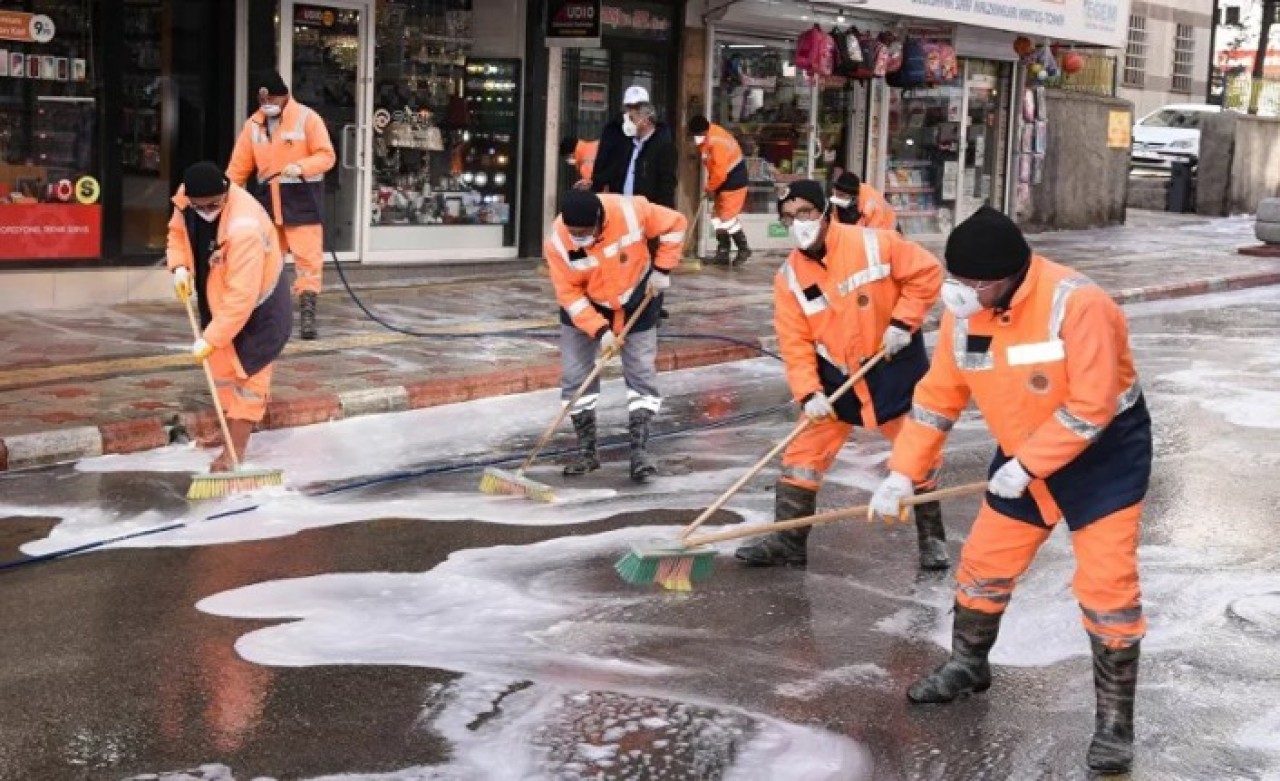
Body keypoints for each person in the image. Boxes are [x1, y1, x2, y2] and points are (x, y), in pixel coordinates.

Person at [867, 206, 1152, 774]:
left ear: (1013, 275)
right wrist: (902, 471)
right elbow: (937, 397)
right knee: (984, 563)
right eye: (955, 280)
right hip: (1022, 451)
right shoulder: (963, 315)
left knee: (1106, 587)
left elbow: (1092, 404)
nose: (961, 294)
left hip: (1104, 458)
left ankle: (1115, 723)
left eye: (975, 284)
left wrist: (1030, 465)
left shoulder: (1079, 304)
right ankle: (969, 665)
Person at [734, 180, 946, 571]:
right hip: (836, 377)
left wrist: (904, 322)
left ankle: (932, 539)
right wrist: (808, 393)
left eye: (805, 213)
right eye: (788, 218)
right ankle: (788, 540)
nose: (798, 224)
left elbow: (927, 274)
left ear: (826, 212)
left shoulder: (875, 243)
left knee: (917, 450)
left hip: (891, 364)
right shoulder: (790, 279)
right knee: (802, 456)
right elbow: (794, 341)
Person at [544, 190, 687, 483]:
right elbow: (568, 294)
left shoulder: (631, 211)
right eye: (574, 232)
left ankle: (639, 453)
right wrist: (599, 329)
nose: (578, 238)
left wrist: (662, 268)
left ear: (599, 221)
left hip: (638, 299)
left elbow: (676, 223)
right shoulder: (558, 242)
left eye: (584, 233)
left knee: (641, 376)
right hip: (587, 306)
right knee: (575, 378)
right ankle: (587, 452)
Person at [167, 162, 291, 471]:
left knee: (249, 379)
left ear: (226, 192)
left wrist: (210, 339)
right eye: (200, 206)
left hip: (261, 312)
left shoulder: (244, 225)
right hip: (219, 298)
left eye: (214, 205)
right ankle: (229, 431)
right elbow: (178, 234)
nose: (206, 211)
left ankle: (234, 452)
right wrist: (180, 266)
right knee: (221, 372)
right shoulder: (186, 199)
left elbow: (242, 298)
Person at [227, 69, 336, 341]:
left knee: (308, 262)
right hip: (267, 203)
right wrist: (227, 197)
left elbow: (326, 155)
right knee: (266, 261)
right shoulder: (253, 125)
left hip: (301, 199)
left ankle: (308, 315)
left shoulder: (308, 119)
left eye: (272, 100)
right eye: (263, 101)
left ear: (284, 96)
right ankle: (265, 315)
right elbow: (238, 167)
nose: (268, 106)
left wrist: (301, 166)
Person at [590, 86, 677, 208]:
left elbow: (666, 185)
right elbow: (608, 168)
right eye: (628, 108)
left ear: (646, 119)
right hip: (621, 208)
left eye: (634, 112)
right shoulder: (621, 138)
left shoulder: (662, 144)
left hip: (646, 212)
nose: (628, 118)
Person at [688, 114, 751, 266]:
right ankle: (723, 252)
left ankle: (743, 249)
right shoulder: (708, 138)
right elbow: (714, 167)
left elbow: (720, 172)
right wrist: (713, 186)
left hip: (733, 182)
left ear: (703, 131)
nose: (695, 138)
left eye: (696, 135)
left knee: (727, 218)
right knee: (717, 218)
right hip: (722, 182)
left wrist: (710, 187)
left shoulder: (717, 142)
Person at [829, 171, 897, 231]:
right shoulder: (852, 189)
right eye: (836, 193)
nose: (837, 198)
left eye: (841, 195)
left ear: (854, 197)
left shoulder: (872, 207)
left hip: (887, 231)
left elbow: (870, 236)